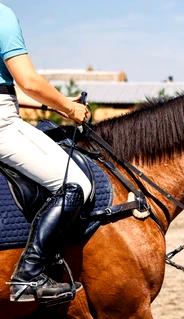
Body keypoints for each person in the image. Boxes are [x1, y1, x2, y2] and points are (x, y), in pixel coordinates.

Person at [1, 4, 91, 303]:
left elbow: (12, 89)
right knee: (76, 184)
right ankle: (28, 275)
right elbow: (28, 80)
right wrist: (70, 109)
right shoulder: (2, 15)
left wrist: (52, 102)